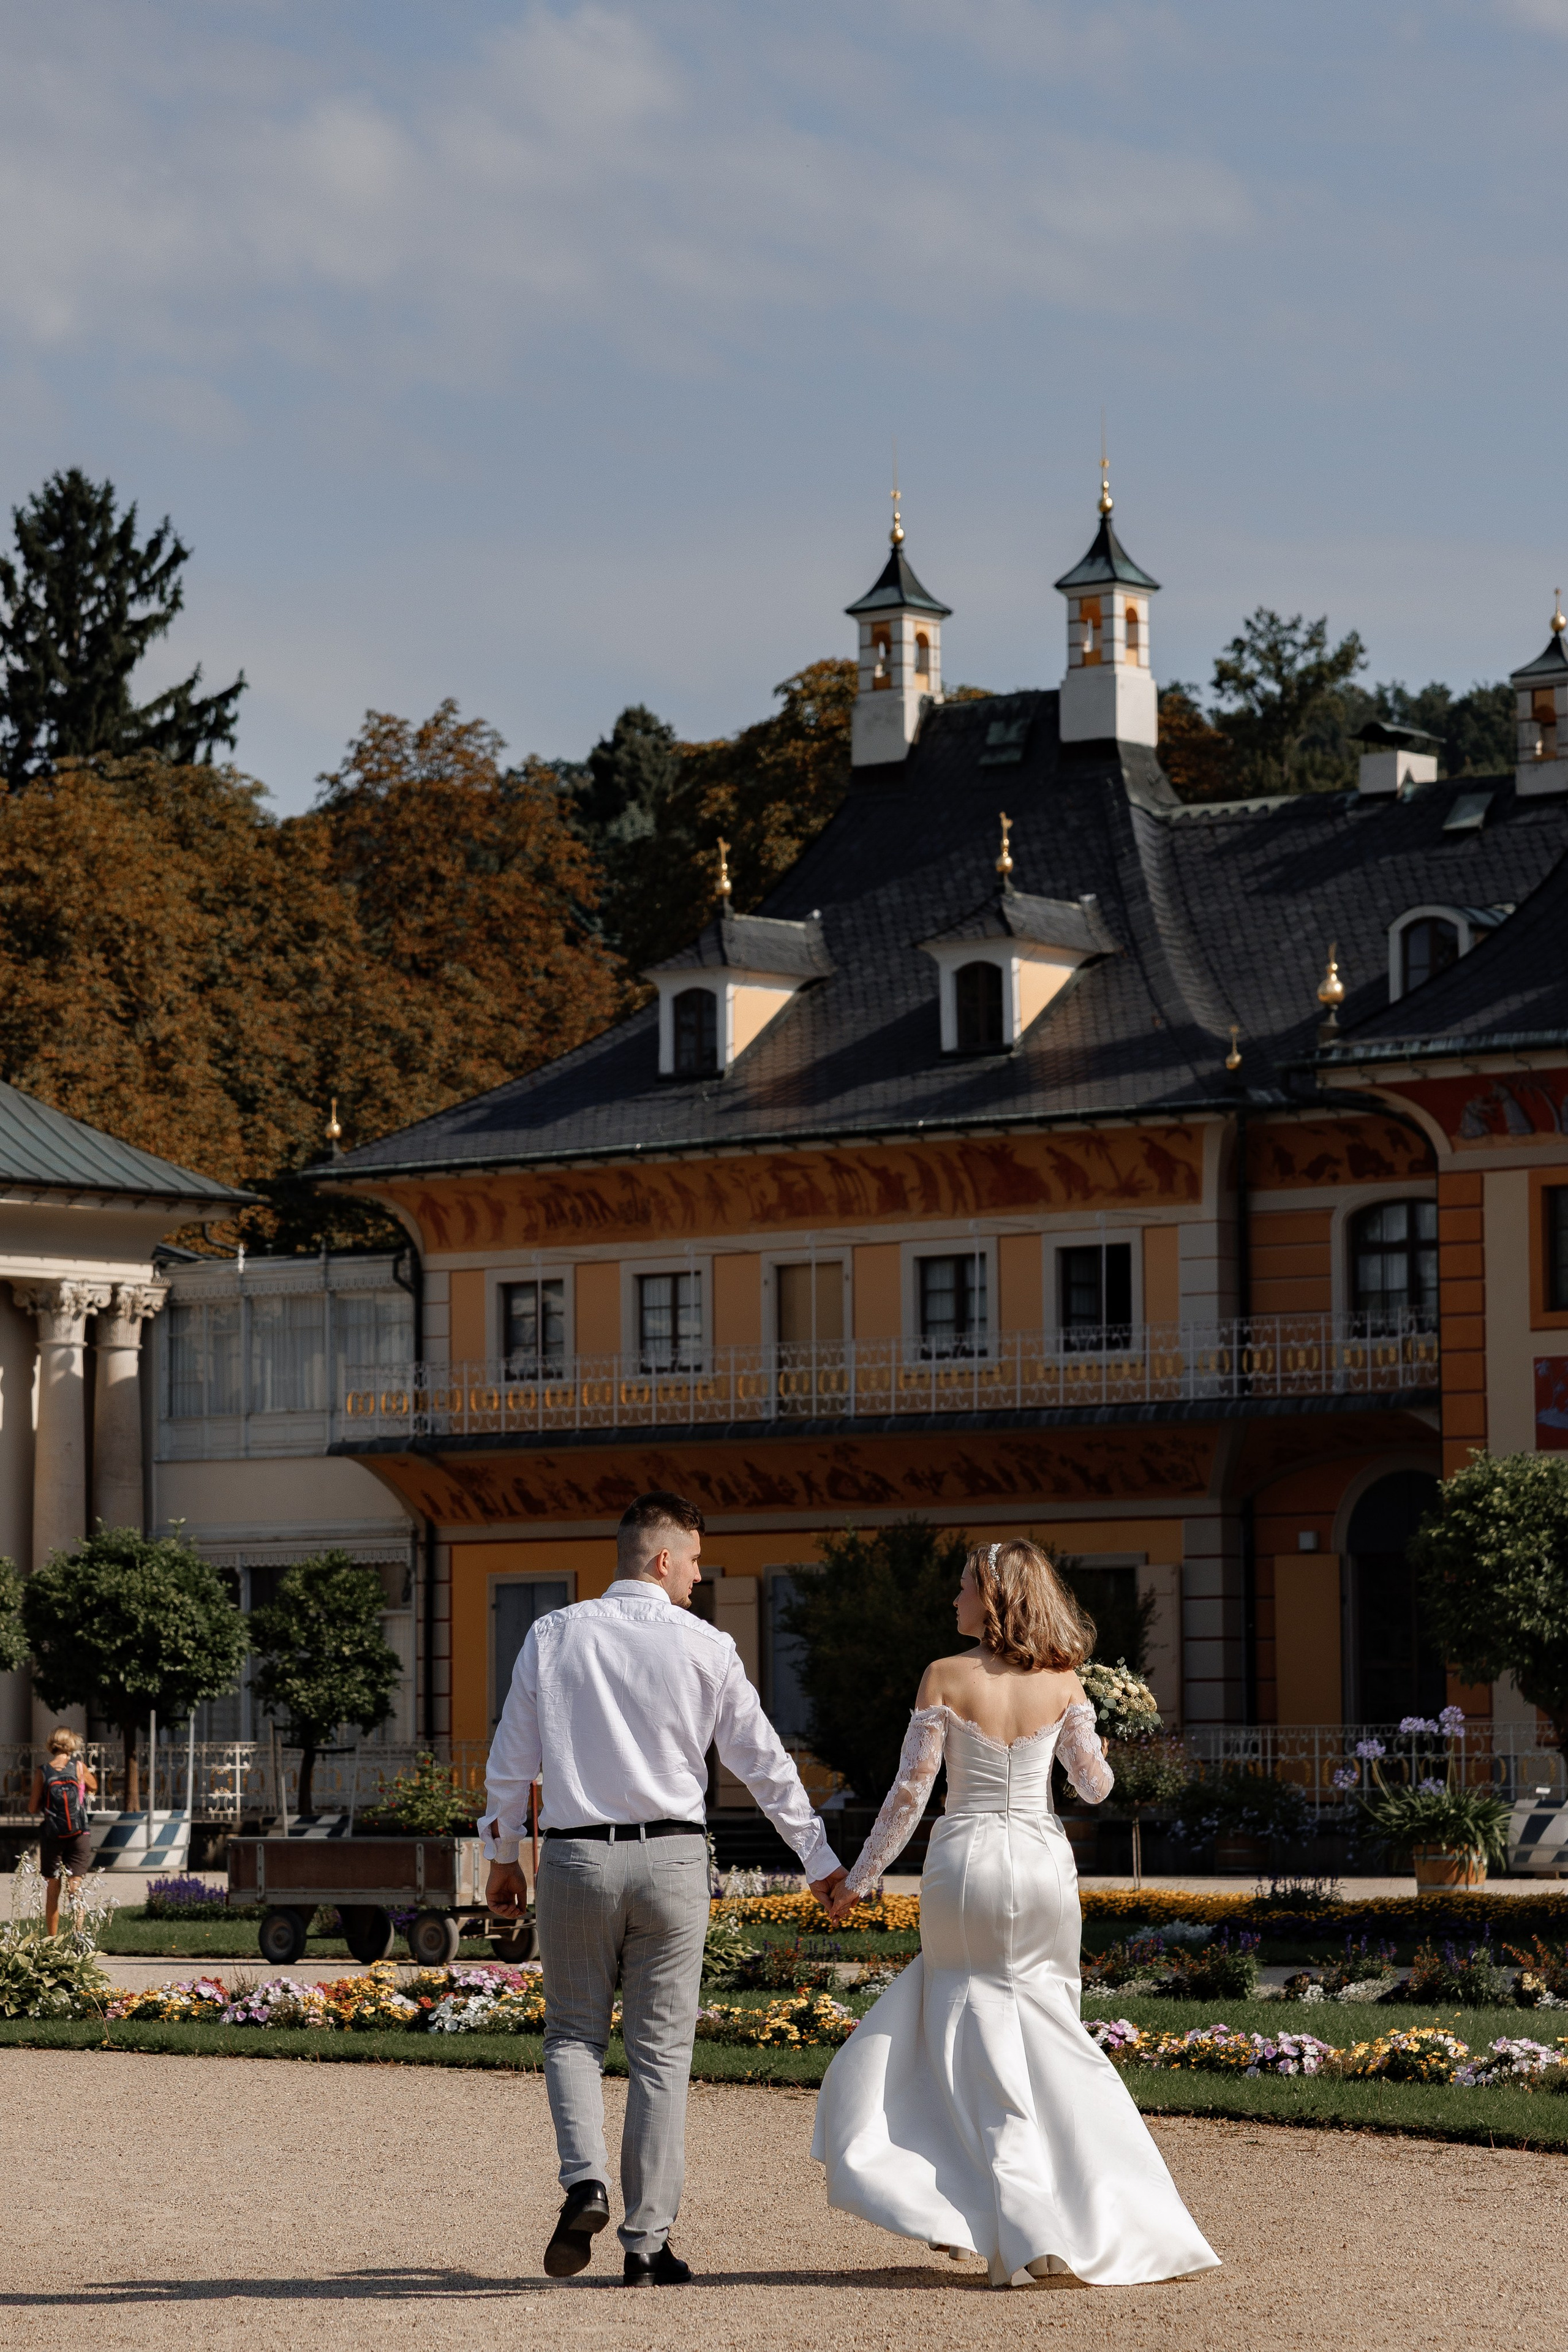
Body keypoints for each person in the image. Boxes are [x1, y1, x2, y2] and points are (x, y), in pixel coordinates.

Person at [813, 1539, 1221, 2290]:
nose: (954, 1600)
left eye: (964, 1587)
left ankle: (985, 2205)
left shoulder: (943, 1675)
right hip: (1040, 1861)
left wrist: (860, 1879)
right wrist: (1099, 1729)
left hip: (966, 1860)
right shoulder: (1064, 1683)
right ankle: (1109, 2208)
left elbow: (909, 1798)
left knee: (965, 2023)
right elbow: (1094, 1790)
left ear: (993, 1598)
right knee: (1048, 2026)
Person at [483, 1490, 848, 2288]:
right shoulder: (706, 1645)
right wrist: (818, 1859)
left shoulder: (552, 1635)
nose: (699, 1576)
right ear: (660, 1558)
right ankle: (647, 2246)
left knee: (573, 2036)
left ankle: (585, 2181)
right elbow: (763, 1763)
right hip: (675, 1862)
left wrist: (503, 1854)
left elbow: (511, 1761)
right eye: (692, 1562)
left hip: (577, 1860)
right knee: (659, 2055)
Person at [29, 1727, 98, 1936]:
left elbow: (32, 1808)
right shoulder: (79, 1767)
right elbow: (94, 1787)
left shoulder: (43, 1771)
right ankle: (78, 1937)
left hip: (53, 1836)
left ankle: (52, 1942)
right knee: (75, 1888)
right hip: (79, 1834)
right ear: (72, 1745)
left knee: (53, 1890)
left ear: (52, 1745)